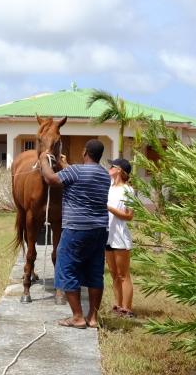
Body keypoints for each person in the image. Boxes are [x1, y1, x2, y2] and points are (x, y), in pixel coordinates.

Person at [39, 139, 111, 329]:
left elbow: (51, 179)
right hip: (99, 231)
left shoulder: (76, 171)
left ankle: (77, 317)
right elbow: (81, 177)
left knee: (67, 268)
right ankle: (93, 318)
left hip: (76, 230)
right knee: (95, 272)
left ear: (85, 152)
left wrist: (43, 161)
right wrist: (65, 165)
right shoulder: (105, 175)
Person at [105, 158, 136, 317]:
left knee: (124, 275)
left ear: (120, 170)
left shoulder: (128, 190)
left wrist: (109, 208)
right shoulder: (109, 187)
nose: (109, 168)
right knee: (113, 274)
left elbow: (129, 216)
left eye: (112, 166)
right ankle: (117, 306)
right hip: (107, 236)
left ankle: (127, 308)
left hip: (120, 237)